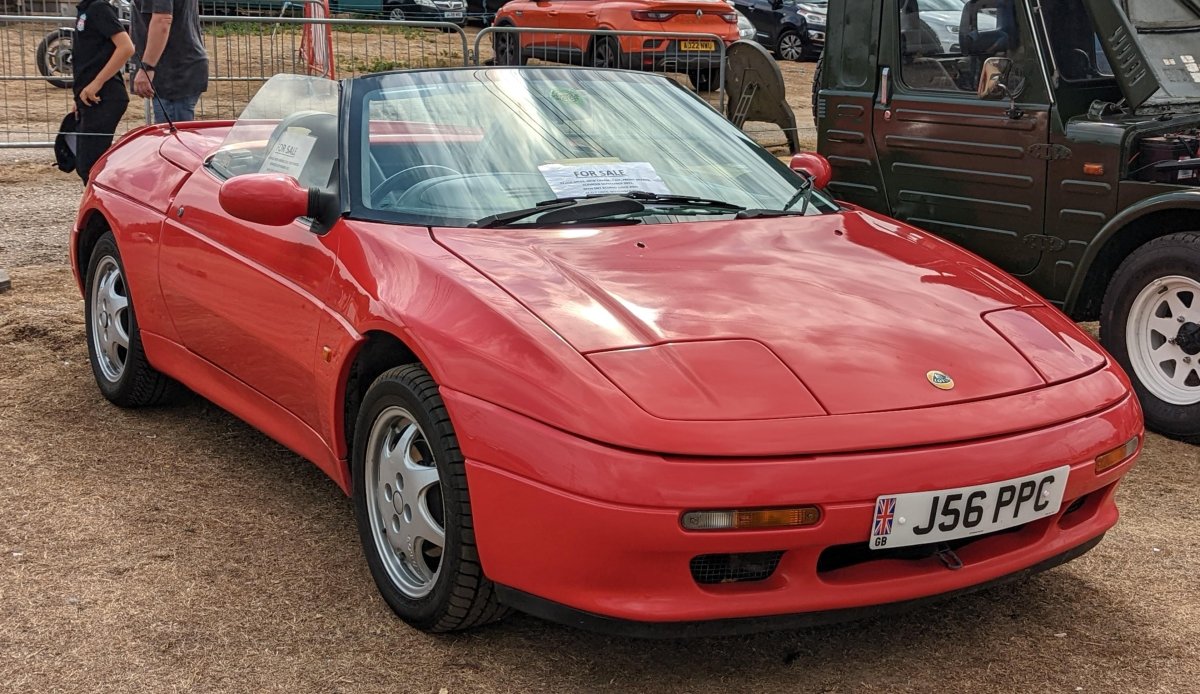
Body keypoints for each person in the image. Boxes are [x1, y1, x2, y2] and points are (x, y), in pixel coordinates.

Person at [71, 0, 134, 183]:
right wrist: (79, 96)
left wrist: (97, 83)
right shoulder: (86, 9)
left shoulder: (98, 8)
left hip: (104, 97)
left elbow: (126, 47)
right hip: (90, 97)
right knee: (86, 164)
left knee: (90, 165)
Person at [130, 0, 207, 123]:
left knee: (173, 137)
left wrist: (147, 67)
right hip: (176, 69)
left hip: (174, 73)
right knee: (173, 134)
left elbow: (163, 20)